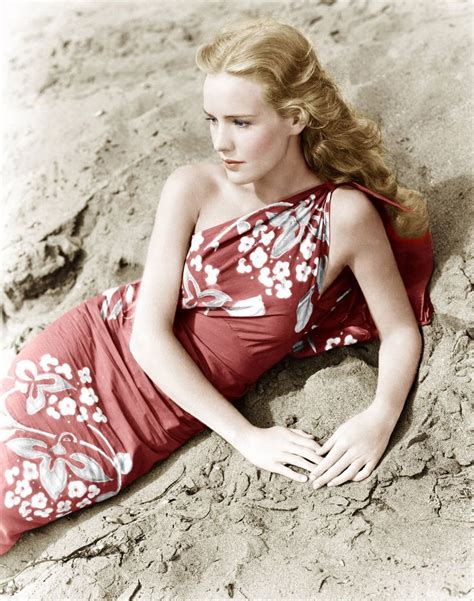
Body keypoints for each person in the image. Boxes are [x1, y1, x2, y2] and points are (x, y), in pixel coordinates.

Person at [0, 17, 434, 555]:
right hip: (81, 356)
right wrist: (248, 437)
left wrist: (380, 414)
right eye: (212, 120)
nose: (220, 141)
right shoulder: (192, 187)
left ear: (295, 117)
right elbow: (145, 335)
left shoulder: (343, 217)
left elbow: (399, 331)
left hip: (151, 420)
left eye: (241, 122)